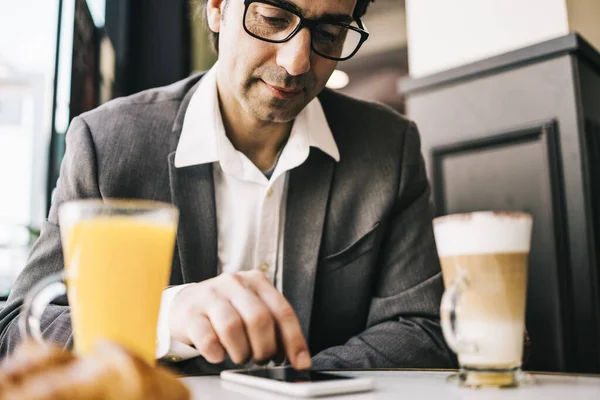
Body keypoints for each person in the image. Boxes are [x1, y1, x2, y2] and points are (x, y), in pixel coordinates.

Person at [0, 0, 455, 374]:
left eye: (330, 33)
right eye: (274, 19)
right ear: (217, 9)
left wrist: (291, 386)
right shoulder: (106, 142)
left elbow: (422, 326)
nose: (296, 61)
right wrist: (161, 317)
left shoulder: (389, 147)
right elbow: (18, 330)